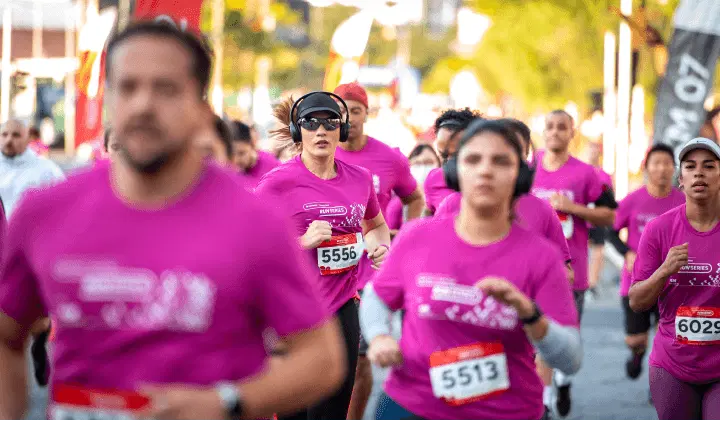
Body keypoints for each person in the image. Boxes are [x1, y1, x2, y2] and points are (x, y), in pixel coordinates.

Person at [0, 21, 346, 420]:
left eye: (165, 89)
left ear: (201, 106)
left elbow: (322, 360)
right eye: (128, 87)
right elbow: (8, 337)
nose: (144, 104)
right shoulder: (45, 212)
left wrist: (225, 402)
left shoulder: (255, 222)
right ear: (108, 97)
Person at [359, 119, 582, 420]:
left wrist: (531, 314)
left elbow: (570, 359)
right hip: (414, 404)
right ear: (454, 171)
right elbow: (377, 295)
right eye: (473, 159)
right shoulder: (417, 237)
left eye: (501, 161)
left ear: (520, 176)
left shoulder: (541, 257)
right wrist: (379, 336)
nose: (485, 170)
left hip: (506, 411)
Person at [256, 91, 391, 421]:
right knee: (294, 411)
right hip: (293, 309)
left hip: (343, 306)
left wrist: (380, 246)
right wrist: (302, 242)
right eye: (310, 123)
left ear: (341, 131)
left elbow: (376, 225)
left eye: (330, 123)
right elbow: (250, 247)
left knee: (331, 409)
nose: (321, 130)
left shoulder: (359, 180)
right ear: (297, 132)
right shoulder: (278, 183)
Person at [437, 117, 573, 420]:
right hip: (464, 330)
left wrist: (534, 298)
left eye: (507, 155)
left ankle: (545, 401)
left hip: (521, 330)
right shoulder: (449, 206)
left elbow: (565, 270)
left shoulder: (542, 211)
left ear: (523, 166)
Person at [332, 83, 425, 420]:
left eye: (355, 110)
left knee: (359, 363)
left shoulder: (389, 158)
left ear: (366, 115)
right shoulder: (321, 152)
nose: (349, 117)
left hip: (370, 275)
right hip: (326, 273)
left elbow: (415, 198)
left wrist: (404, 241)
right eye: (342, 110)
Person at [531, 110, 616, 417]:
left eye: (561, 127)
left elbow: (609, 215)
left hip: (570, 270)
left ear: (571, 134)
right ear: (543, 131)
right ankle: (543, 402)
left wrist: (572, 208)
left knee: (562, 338)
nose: (554, 132)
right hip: (529, 270)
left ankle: (562, 383)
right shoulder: (528, 169)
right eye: (550, 126)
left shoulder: (586, 174)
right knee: (535, 339)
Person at [629, 137, 720, 421]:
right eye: (691, 167)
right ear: (680, 180)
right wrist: (664, 271)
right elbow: (636, 301)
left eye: (709, 166)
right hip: (673, 365)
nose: (700, 173)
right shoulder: (659, 229)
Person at [610, 144, 684, 388]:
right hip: (637, 282)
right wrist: (627, 252)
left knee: (668, 337)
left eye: (667, 163)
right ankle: (638, 353)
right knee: (637, 339)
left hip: (674, 284)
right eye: (656, 163)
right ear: (647, 168)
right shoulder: (633, 200)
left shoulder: (683, 201)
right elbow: (610, 231)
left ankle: (662, 382)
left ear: (674, 169)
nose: (662, 169)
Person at [0, 119, 65, 217]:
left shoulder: (47, 170)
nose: (9, 140)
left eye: (16, 135)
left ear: (28, 139)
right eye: (4, 134)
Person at [424, 108, 483, 215]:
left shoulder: (492, 178)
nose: (450, 162)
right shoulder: (434, 178)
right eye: (444, 155)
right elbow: (427, 218)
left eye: (457, 155)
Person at [386, 144, 442, 233]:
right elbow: (390, 234)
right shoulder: (398, 203)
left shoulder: (444, 198)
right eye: (417, 163)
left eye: (429, 162)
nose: (423, 168)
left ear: (439, 164)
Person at [587, 142, 615, 299]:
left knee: (598, 252)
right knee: (577, 252)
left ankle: (592, 284)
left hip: (598, 220)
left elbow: (610, 200)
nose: (593, 153)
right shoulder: (580, 172)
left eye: (595, 150)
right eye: (590, 149)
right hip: (581, 219)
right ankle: (578, 283)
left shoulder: (605, 175)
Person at [231, 120, 279, 188]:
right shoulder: (232, 172)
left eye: (241, 153)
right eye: (232, 154)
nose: (236, 160)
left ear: (252, 144)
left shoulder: (273, 167)